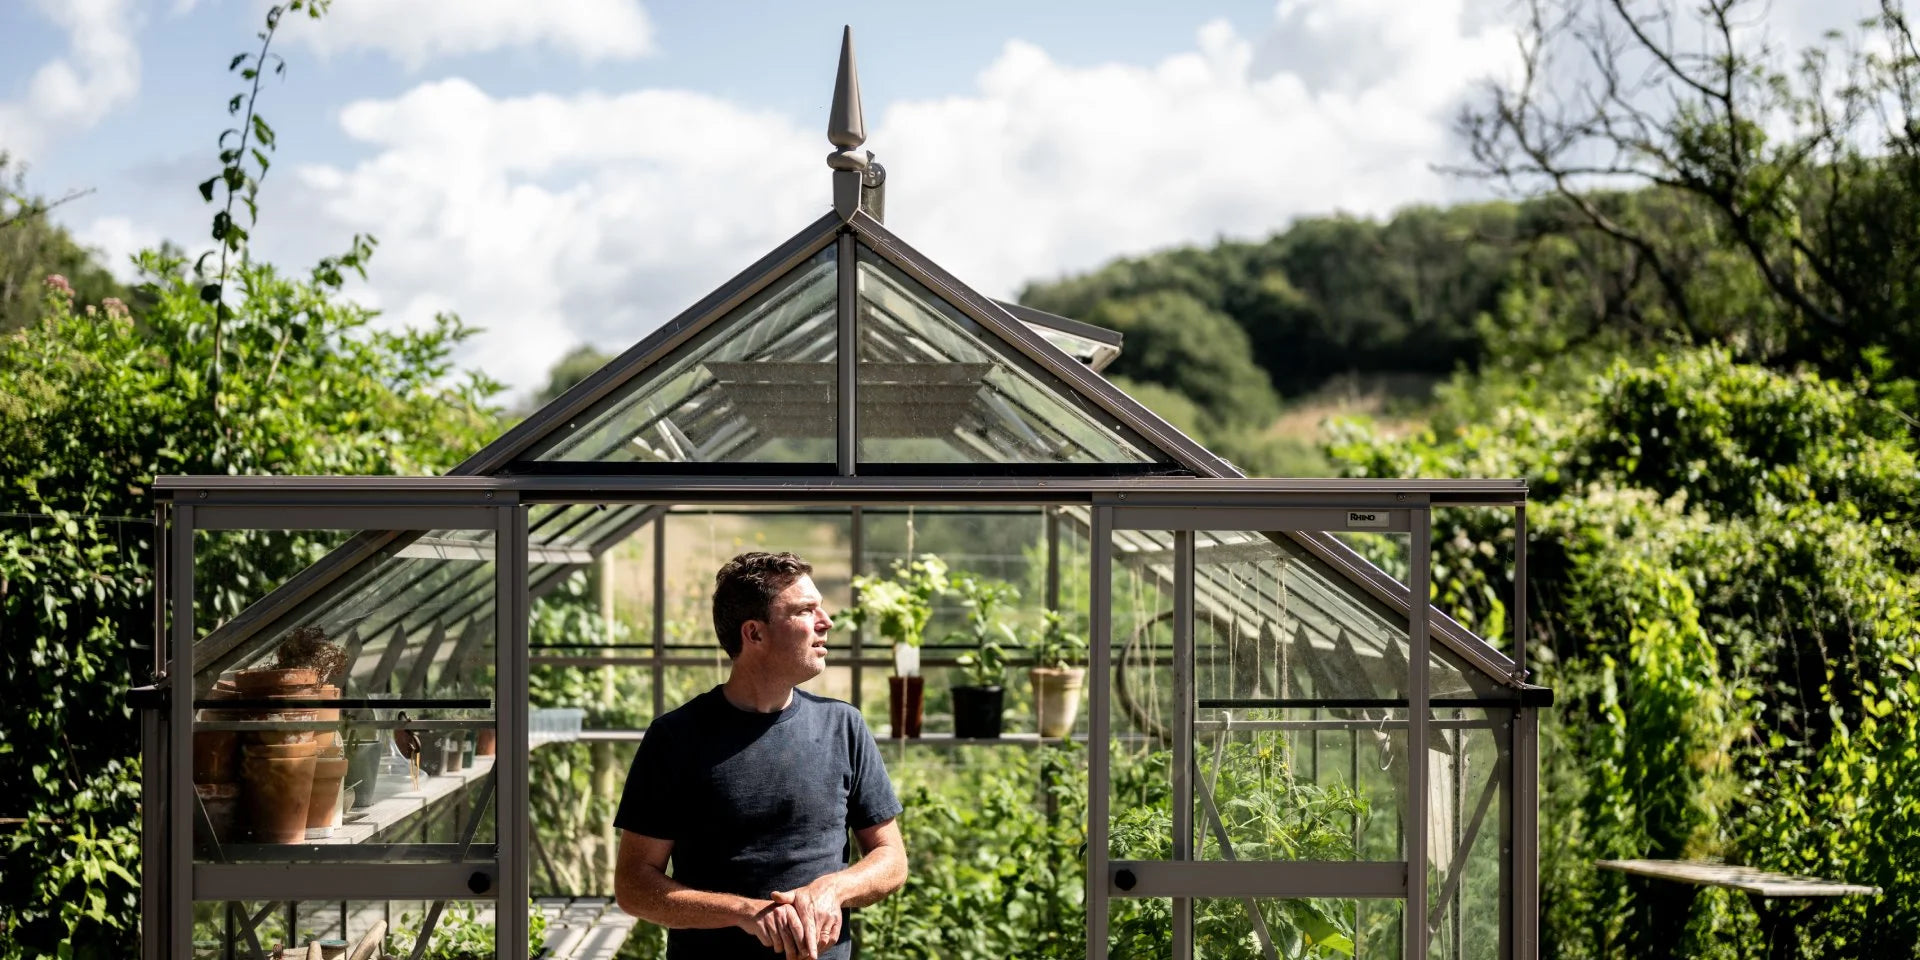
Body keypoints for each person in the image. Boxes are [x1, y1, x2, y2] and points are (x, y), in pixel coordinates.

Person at [613, 551, 907, 959]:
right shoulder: (676, 737)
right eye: (806, 611)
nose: (827, 622)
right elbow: (634, 886)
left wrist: (833, 889)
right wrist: (746, 913)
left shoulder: (843, 726)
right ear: (754, 634)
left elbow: (891, 858)